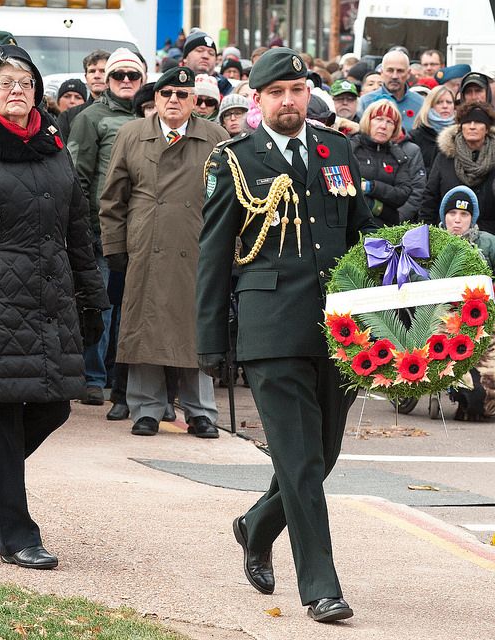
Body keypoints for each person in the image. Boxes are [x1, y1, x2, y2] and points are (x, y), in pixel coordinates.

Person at [197, 47, 377, 624]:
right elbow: (214, 254)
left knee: (321, 457)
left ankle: (255, 525)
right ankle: (322, 587)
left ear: (308, 95)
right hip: (270, 326)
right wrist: (211, 341)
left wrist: (408, 277)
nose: (288, 101)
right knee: (299, 461)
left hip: (339, 330)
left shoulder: (337, 149)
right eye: (275, 93)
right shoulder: (235, 161)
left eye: (296, 91)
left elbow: (361, 233)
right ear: (257, 100)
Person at [0, 44, 108, 569]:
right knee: (5, 420)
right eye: (4, 82)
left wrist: (91, 300)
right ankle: (19, 535)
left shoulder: (54, 148)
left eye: (26, 81)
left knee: (55, 405)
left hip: (47, 303)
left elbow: (80, 231)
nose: (17, 89)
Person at [99, 66, 227, 438]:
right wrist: (115, 247)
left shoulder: (215, 137)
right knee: (146, 328)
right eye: (167, 93)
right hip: (146, 246)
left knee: (195, 329)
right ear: (155, 99)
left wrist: (229, 249)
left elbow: (228, 200)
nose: (174, 100)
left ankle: (200, 411)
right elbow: (112, 199)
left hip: (196, 245)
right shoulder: (131, 134)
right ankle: (147, 409)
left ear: (194, 102)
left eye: (182, 95)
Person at [68, 47, 145, 408]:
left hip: (142, 228)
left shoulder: (152, 116)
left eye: (133, 75)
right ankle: (94, 377)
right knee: (101, 305)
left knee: (131, 305)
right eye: (119, 75)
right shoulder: (91, 117)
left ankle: (120, 377)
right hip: (101, 228)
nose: (126, 81)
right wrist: (83, 225)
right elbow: (77, 175)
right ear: (107, 81)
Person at [437, 186, 495, 420]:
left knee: (487, 393)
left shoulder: (488, 243)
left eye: (464, 215)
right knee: (473, 396)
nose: (457, 221)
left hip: (486, 321)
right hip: (445, 322)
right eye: (452, 214)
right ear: (443, 217)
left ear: (473, 218)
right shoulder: (429, 243)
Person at [419, 101, 495, 234]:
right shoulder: (445, 156)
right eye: (467, 122)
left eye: (478, 122)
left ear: (487, 128)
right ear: (460, 127)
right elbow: (430, 197)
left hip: (489, 236)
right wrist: (426, 234)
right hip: (448, 235)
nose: (472, 126)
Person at [350, 99, 414, 226]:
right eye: (379, 119)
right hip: (351, 225)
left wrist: (371, 187)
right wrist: (374, 205)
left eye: (389, 122)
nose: (383, 126)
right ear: (368, 121)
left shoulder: (398, 156)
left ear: (395, 128)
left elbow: (403, 193)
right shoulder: (351, 148)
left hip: (384, 228)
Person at [358, 49, 424, 130]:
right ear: (382, 72)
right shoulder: (366, 102)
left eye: (400, 71)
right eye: (390, 70)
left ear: (408, 73)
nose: (394, 76)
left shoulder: (421, 104)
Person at [57, 49, 110, 141]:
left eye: (102, 71)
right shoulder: (68, 116)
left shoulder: (125, 111)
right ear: (86, 77)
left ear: (111, 75)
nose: (97, 76)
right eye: (92, 71)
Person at [409, 85, 456, 174]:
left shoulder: (461, 134)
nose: (445, 106)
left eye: (449, 102)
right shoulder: (415, 136)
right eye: (439, 102)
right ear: (430, 105)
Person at [181, 30, 232, 96]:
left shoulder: (227, 89)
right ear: (185, 58)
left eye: (211, 53)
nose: (205, 56)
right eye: (199, 51)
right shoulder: (172, 85)